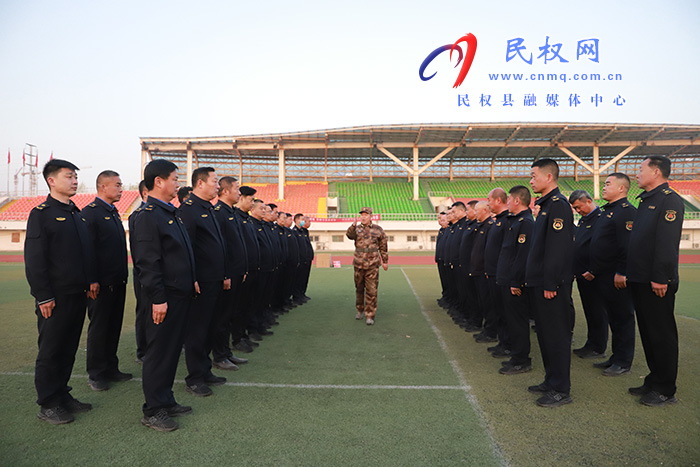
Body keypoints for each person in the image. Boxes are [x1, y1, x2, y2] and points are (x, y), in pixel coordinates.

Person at [25, 159, 98, 425]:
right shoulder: (41, 214)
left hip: (77, 294)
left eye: (76, 176)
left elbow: (85, 252)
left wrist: (91, 279)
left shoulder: (76, 214)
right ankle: (48, 404)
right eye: (69, 176)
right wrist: (43, 295)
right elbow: (35, 259)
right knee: (51, 350)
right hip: (54, 298)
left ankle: (62, 395)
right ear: (52, 181)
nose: (75, 180)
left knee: (68, 349)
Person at [132, 159, 198, 431]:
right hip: (164, 298)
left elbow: (181, 253)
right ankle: (154, 410)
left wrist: (191, 279)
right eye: (173, 178)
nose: (177, 183)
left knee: (171, 351)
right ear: (158, 181)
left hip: (179, 293)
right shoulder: (148, 216)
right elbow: (148, 263)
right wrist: (158, 298)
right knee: (159, 352)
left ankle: (166, 399)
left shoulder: (169, 212)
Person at [627, 156, 684, 406]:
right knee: (649, 333)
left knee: (661, 334)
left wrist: (661, 277)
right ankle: (654, 379)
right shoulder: (646, 200)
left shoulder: (669, 201)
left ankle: (665, 389)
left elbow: (665, 244)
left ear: (657, 172)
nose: (636, 174)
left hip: (657, 281)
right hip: (641, 279)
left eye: (641, 169)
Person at [525, 158, 575, 407]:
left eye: (534, 176)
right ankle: (550, 379)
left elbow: (557, 250)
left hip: (551, 284)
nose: (531, 180)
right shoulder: (545, 206)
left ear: (549, 177)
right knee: (545, 335)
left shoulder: (558, 206)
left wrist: (550, 284)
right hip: (541, 282)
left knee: (556, 335)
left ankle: (560, 389)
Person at [179, 167, 229, 397]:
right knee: (197, 330)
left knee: (210, 327)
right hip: (202, 282)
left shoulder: (208, 209)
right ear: (200, 184)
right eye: (214, 181)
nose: (217, 186)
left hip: (215, 279)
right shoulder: (188, 210)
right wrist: (193, 279)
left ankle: (205, 370)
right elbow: (186, 249)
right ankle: (194, 378)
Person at [82, 170, 131, 392]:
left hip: (117, 281)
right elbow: (86, 250)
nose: (121, 189)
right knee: (99, 329)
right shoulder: (91, 214)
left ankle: (111, 367)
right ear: (103, 187)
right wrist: (91, 279)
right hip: (100, 285)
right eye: (118, 185)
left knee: (113, 327)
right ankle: (96, 373)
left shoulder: (112, 213)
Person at [586, 174, 637, 376]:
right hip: (604, 276)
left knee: (623, 318)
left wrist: (622, 271)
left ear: (622, 188)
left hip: (616, 276)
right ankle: (616, 357)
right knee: (614, 319)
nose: (603, 187)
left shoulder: (626, 212)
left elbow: (627, 245)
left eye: (608, 184)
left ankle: (623, 361)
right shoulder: (608, 212)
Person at [211, 176, 249, 369]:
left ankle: (226, 352)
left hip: (235, 272)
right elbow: (221, 247)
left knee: (229, 314)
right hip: (227, 274)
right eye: (236, 189)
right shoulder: (218, 213)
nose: (239, 193)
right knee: (222, 316)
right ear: (225, 191)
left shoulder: (231, 212)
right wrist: (226, 273)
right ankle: (219, 355)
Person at [496, 185, 535, 373]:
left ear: (517, 200)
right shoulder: (515, 221)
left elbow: (522, 256)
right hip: (506, 279)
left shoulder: (526, 222)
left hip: (514, 282)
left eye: (509, 199)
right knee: (512, 320)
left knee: (518, 322)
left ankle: (521, 360)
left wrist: (515, 281)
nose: (507, 203)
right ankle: (516, 355)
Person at [568, 190, 607, 360]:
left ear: (589, 201)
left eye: (579, 207)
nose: (578, 211)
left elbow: (602, 247)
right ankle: (591, 344)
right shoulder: (584, 220)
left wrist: (592, 270)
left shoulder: (600, 219)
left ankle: (598, 347)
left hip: (593, 275)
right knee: (590, 311)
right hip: (583, 275)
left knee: (597, 312)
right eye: (575, 209)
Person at [346, 207, 388, 325]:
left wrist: (385, 261)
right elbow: (349, 235)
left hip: (372, 265)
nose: (363, 217)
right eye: (362, 215)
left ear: (371, 216)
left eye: (366, 215)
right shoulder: (356, 229)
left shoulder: (378, 230)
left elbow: (383, 246)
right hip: (359, 264)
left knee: (371, 291)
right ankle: (359, 310)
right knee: (359, 289)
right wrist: (353, 225)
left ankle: (370, 315)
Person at [478, 189, 510, 347]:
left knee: (505, 313)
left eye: (489, 199)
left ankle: (508, 345)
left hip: (501, 274)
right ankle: (503, 343)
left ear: (498, 200)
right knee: (499, 311)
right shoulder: (498, 221)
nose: (488, 202)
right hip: (492, 273)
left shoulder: (507, 221)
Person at [130, 180, 149, 364]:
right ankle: (142, 351)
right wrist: (143, 274)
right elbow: (138, 250)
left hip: (151, 274)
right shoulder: (138, 215)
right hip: (143, 274)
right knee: (144, 311)